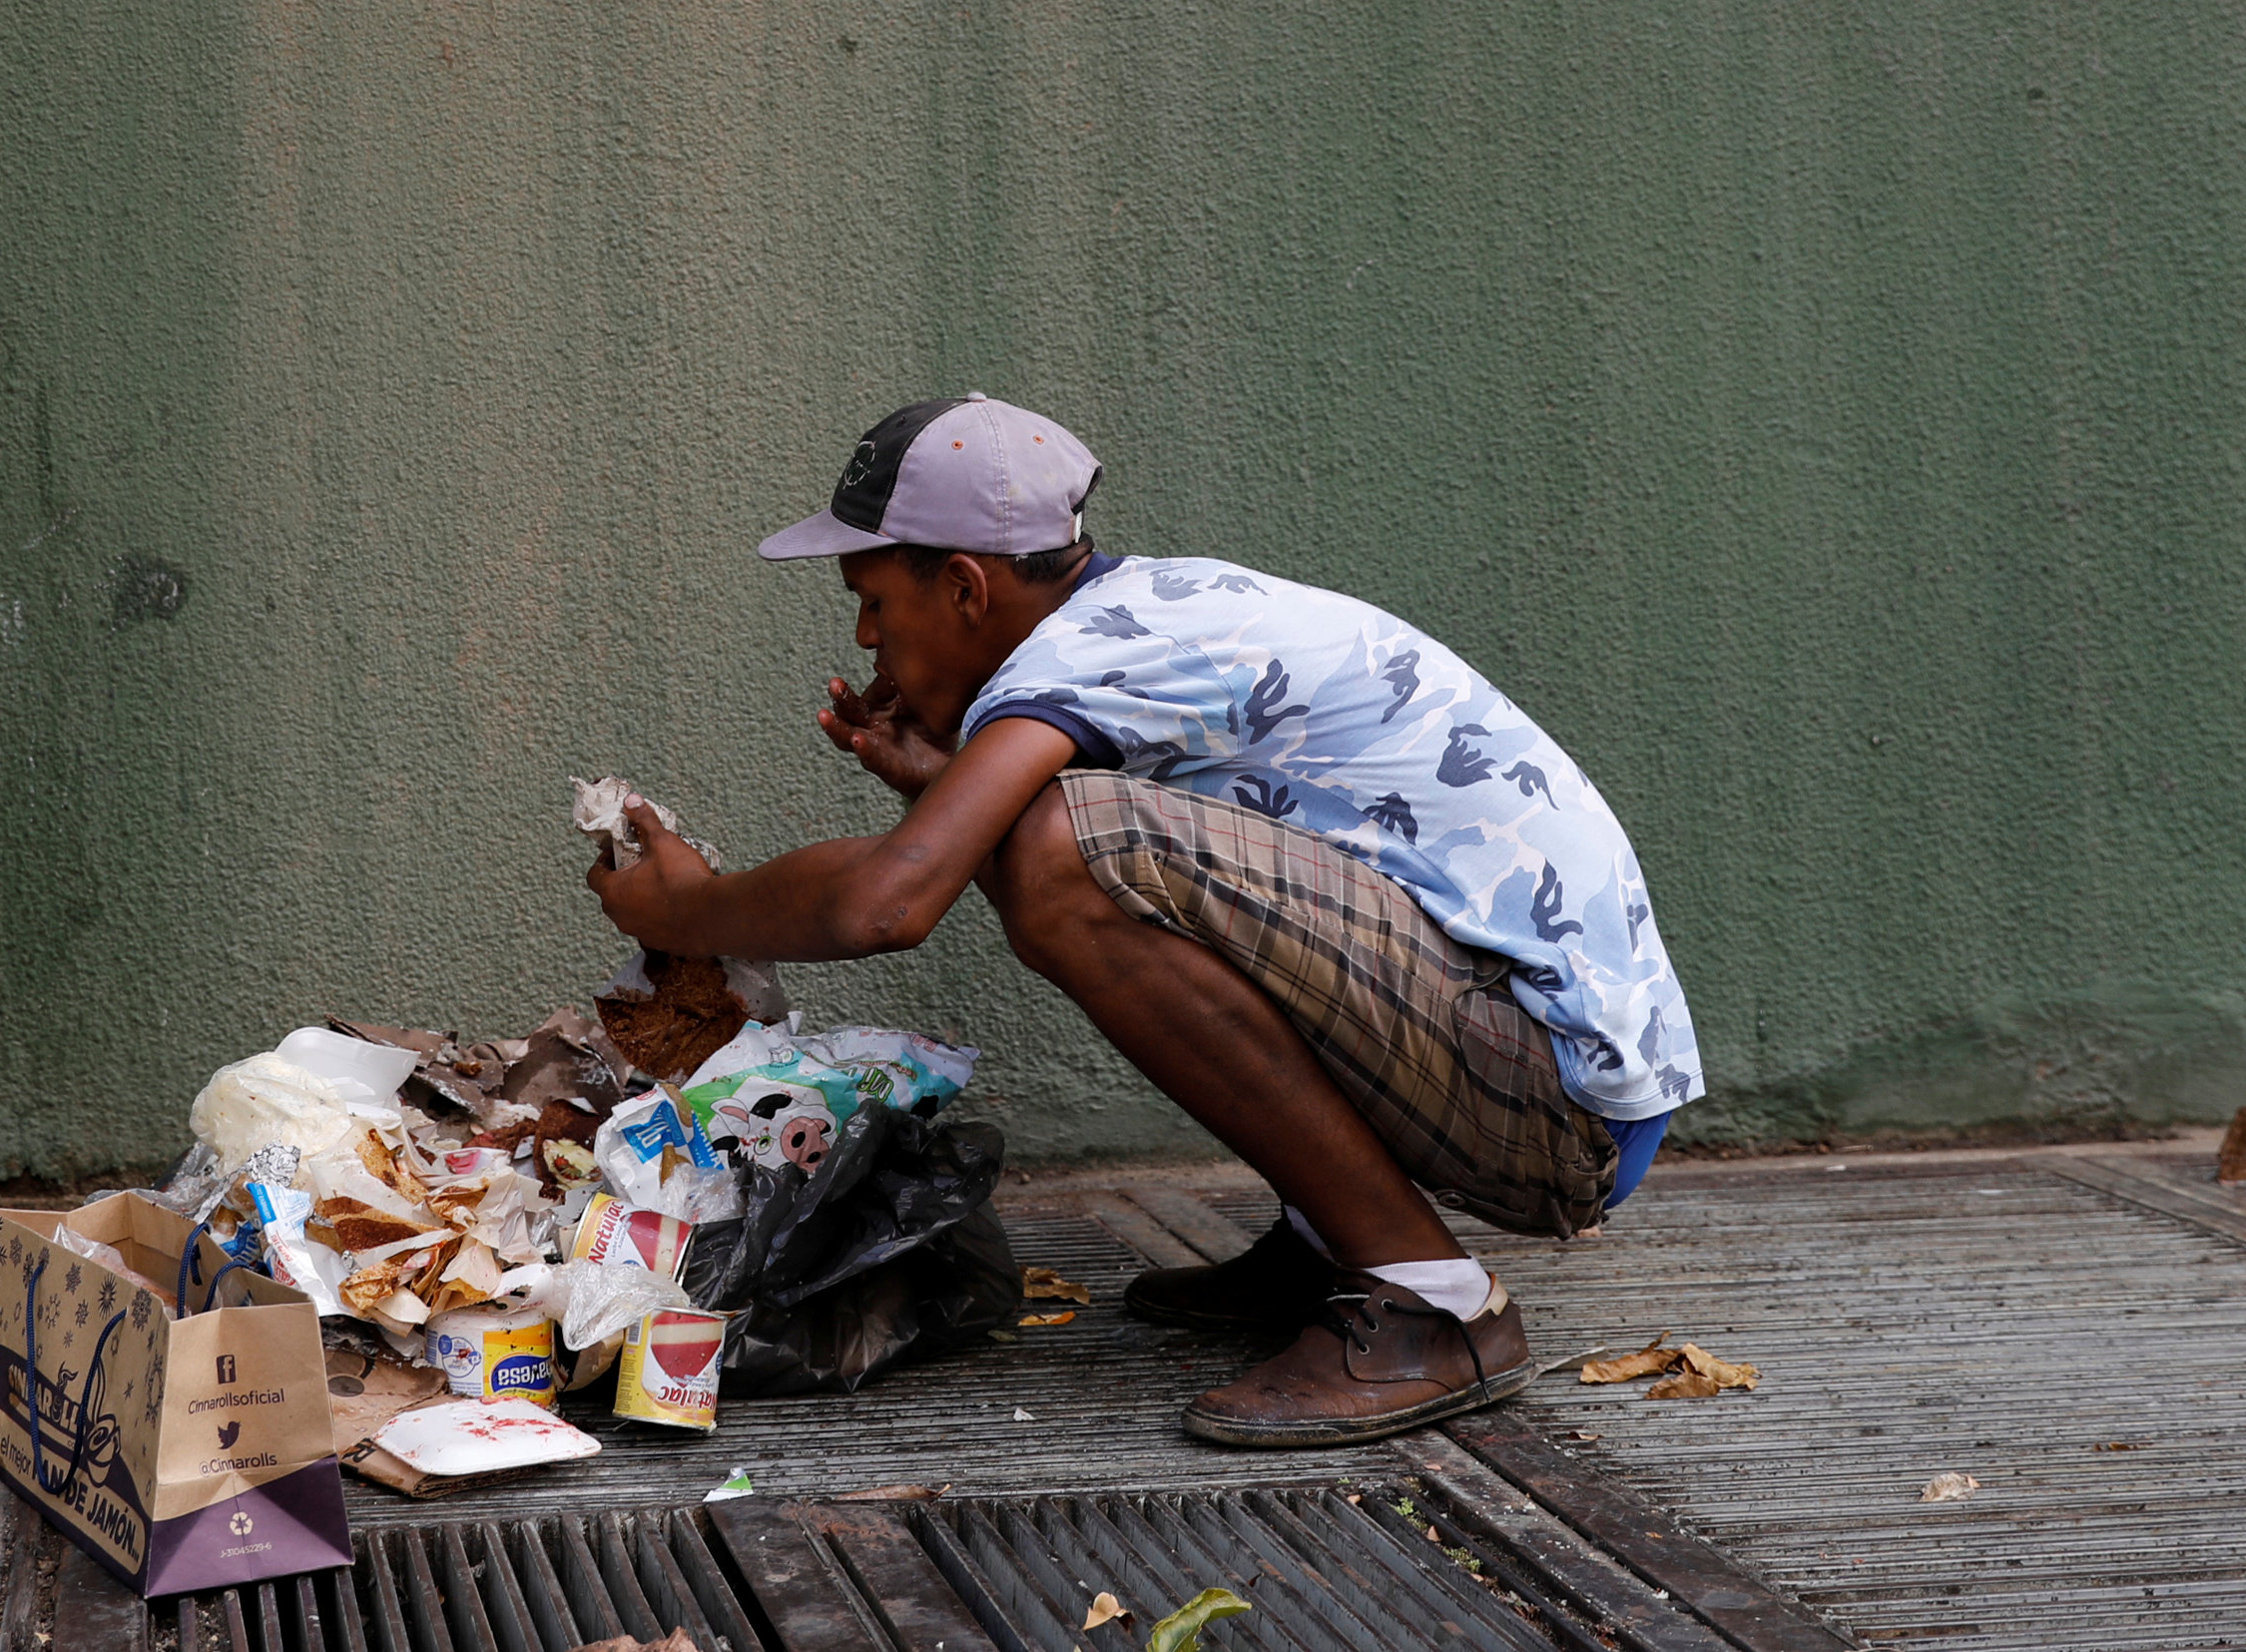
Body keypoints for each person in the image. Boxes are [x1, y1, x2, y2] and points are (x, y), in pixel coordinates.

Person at [583, 395, 1702, 1446]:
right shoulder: (1145, 612)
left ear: (967, 589)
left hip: (1555, 1114)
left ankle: (1431, 1300)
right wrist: (947, 788)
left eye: (875, 603)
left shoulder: (1079, 656)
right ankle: (1327, 1241)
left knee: (1051, 847)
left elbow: (891, 902)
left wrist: (685, 908)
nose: (869, 641)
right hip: (1522, 1063)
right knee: (1046, 836)